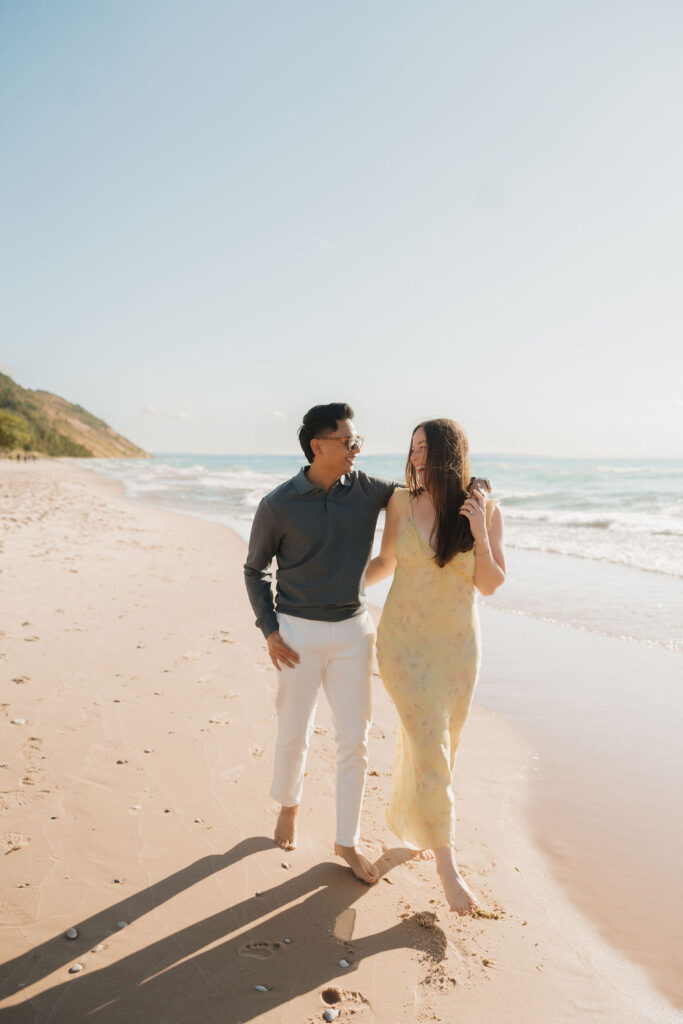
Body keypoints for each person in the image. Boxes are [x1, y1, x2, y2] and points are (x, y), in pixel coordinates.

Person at [243, 403, 396, 884]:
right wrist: (269, 630)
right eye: (347, 440)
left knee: (356, 738)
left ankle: (346, 839)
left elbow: (421, 495)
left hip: (354, 632)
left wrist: (472, 491)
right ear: (318, 446)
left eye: (357, 441)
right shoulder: (279, 503)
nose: (355, 448)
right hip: (296, 633)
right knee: (294, 730)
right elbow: (254, 569)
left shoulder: (369, 489)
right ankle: (288, 806)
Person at [366, 418, 506, 913]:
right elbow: (385, 562)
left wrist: (478, 533)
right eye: (413, 447)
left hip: (457, 652)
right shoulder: (401, 502)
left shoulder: (484, 510)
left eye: (425, 447)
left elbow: (489, 584)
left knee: (441, 746)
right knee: (429, 740)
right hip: (402, 644)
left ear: (449, 452)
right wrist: (342, 589)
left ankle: (419, 822)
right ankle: (448, 868)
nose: (417, 455)